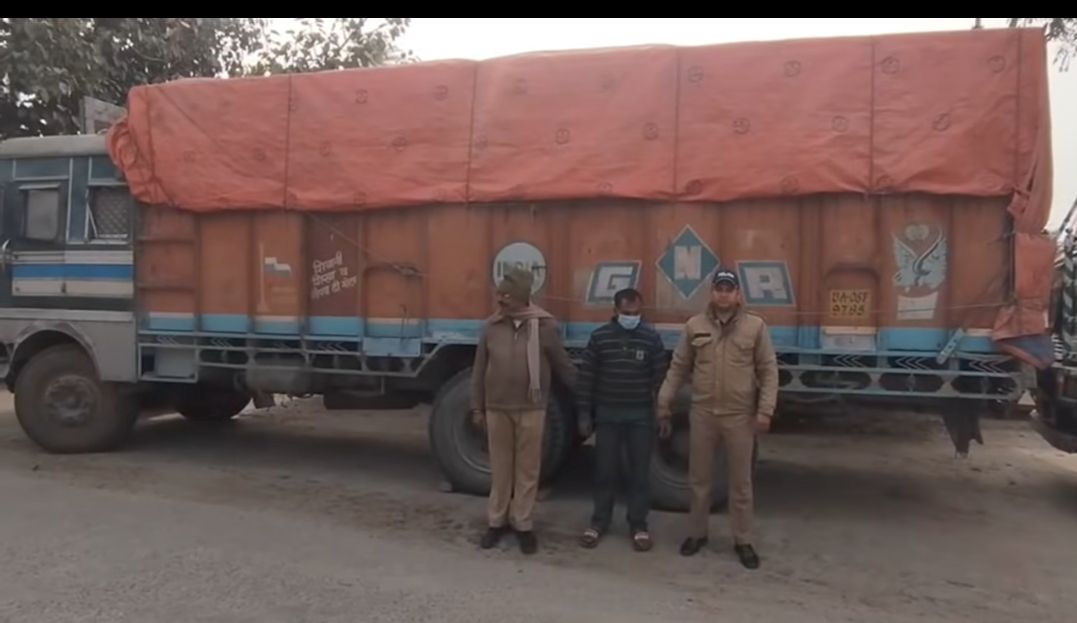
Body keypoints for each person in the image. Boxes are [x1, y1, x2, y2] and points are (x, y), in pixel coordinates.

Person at [656, 269, 778, 569]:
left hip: (739, 417)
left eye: (729, 289)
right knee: (699, 480)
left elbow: (768, 370)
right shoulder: (694, 326)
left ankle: (743, 540)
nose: (723, 294)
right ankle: (697, 534)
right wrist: (663, 402)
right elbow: (678, 367)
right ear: (712, 293)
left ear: (737, 294)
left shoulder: (755, 327)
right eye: (719, 288)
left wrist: (765, 411)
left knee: (741, 484)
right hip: (703, 415)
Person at [469, 266, 577, 555]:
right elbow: (479, 369)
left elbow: (563, 365)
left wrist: (586, 393)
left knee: (528, 470)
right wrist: (476, 407)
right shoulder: (491, 327)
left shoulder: (545, 326)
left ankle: (523, 524)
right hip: (497, 408)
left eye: (507, 295)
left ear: (521, 296)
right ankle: (496, 522)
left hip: (532, 408)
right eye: (499, 294)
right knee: (501, 469)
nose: (500, 300)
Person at [575, 288, 667, 552]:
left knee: (639, 473)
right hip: (608, 415)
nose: (632, 317)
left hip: (640, 417)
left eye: (636, 313)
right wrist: (584, 413)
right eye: (627, 313)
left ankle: (638, 525)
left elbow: (660, 379)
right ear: (615, 311)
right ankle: (598, 522)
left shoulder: (651, 338)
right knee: (605, 471)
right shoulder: (600, 338)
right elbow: (587, 378)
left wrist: (663, 413)